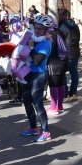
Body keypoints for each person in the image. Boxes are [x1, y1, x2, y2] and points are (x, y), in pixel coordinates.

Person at [20, 14, 53, 142]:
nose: (37, 31)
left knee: (37, 102)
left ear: (46, 30)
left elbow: (37, 61)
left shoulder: (46, 43)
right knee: (26, 100)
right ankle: (34, 128)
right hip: (28, 73)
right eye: (36, 28)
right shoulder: (34, 38)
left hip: (39, 74)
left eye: (40, 29)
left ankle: (46, 132)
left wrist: (31, 46)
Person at [46, 15, 68, 115]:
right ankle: (60, 106)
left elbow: (48, 49)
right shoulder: (60, 31)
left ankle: (53, 107)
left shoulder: (48, 34)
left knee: (53, 85)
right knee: (61, 83)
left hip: (53, 62)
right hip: (63, 61)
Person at [59, 9, 81, 99]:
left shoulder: (62, 26)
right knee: (74, 73)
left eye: (60, 15)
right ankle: (74, 91)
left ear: (64, 16)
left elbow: (60, 40)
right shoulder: (75, 26)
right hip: (75, 52)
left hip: (66, 53)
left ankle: (65, 92)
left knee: (62, 73)